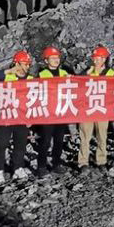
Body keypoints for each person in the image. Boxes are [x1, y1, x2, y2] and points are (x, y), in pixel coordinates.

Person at [0, 51, 33, 185]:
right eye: (23, 64)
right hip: (6, 116)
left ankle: (17, 168)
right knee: (2, 143)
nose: (25, 67)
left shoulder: (31, 79)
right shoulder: (6, 76)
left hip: (22, 117)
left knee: (20, 143)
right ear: (16, 63)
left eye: (28, 65)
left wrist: (31, 117)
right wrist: (8, 71)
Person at [78, 46, 114, 173]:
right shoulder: (87, 71)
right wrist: (85, 75)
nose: (95, 61)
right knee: (85, 136)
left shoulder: (111, 73)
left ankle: (101, 161)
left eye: (98, 58)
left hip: (102, 109)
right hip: (87, 110)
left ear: (104, 59)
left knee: (102, 136)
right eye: (94, 58)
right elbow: (77, 85)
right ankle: (83, 162)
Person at [36, 47, 69, 177]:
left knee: (59, 140)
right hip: (48, 113)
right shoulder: (41, 75)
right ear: (46, 60)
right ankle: (41, 166)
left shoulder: (64, 73)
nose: (56, 60)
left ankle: (56, 164)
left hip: (61, 112)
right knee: (45, 140)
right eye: (53, 58)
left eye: (57, 58)